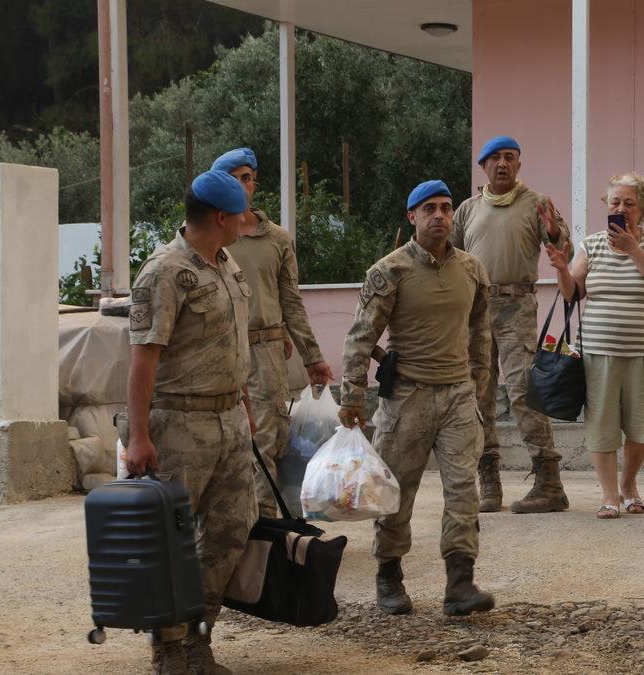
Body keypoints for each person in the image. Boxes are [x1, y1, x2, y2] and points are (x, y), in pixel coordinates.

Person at [339, 180, 495, 617]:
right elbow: (360, 336)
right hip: (407, 398)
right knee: (396, 492)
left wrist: (479, 385)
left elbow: (481, 333)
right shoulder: (390, 271)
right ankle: (389, 575)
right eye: (429, 209)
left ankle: (460, 583)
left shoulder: (472, 269)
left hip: (458, 396)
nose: (440, 216)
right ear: (412, 217)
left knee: (463, 490)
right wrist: (352, 397)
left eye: (446, 207)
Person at [125, 170, 258, 673]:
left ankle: (199, 641)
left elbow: (231, 343)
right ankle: (168, 650)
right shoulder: (164, 271)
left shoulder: (225, 262)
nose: (247, 221)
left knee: (229, 532)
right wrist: (139, 436)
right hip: (179, 422)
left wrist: (243, 403)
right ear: (221, 217)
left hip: (229, 418)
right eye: (241, 215)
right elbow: (143, 360)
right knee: (172, 541)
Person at [451, 135, 573, 514]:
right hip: (475, 307)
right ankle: (489, 480)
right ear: (483, 166)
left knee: (523, 391)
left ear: (519, 164)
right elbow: (448, 256)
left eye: (509, 157)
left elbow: (564, 247)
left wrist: (554, 231)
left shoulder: (537, 203)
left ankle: (549, 482)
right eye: (495, 158)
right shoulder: (467, 210)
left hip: (516, 305)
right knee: (478, 394)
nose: (502, 164)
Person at [210, 147, 334, 517]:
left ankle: (262, 528)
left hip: (264, 352)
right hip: (216, 351)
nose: (242, 185)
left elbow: (291, 301)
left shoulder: (277, 239)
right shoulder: (209, 236)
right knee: (221, 438)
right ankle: (229, 521)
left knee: (266, 440)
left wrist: (312, 357)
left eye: (247, 178)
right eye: (233, 179)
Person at [546, 173, 644, 519]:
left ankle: (629, 485)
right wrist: (562, 269)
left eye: (629, 203)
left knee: (641, 425)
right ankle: (609, 494)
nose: (621, 208)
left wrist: (633, 249)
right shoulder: (592, 244)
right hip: (597, 352)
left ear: (642, 209)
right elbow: (573, 293)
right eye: (615, 202)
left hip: (642, 349)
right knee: (601, 424)